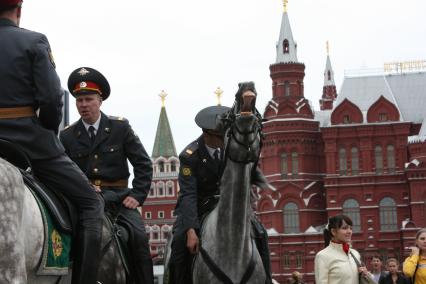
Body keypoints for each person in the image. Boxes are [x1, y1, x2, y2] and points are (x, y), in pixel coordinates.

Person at [0, 2, 104, 283]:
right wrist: (45, 128)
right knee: (91, 204)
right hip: (29, 144)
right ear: (19, 9)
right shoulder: (34, 41)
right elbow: (50, 100)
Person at [168, 83, 272, 284]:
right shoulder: (190, 155)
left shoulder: (231, 148)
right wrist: (191, 230)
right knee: (179, 247)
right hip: (199, 207)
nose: (224, 139)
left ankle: (266, 279)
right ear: (207, 134)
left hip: (231, 205)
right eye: (219, 136)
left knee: (260, 234)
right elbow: (188, 194)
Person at [59, 67, 154, 284]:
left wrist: (138, 195)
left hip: (119, 200)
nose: (83, 105)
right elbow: (62, 170)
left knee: (138, 238)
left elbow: (143, 163)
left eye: (88, 99)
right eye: (79, 100)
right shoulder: (67, 135)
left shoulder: (120, 127)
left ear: (100, 100)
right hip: (84, 200)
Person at [315, 214, 369, 284]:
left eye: (351, 228)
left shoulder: (355, 254)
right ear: (333, 231)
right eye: (344, 228)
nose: (349, 231)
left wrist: (363, 274)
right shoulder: (322, 256)